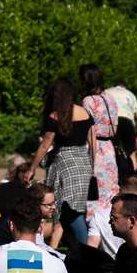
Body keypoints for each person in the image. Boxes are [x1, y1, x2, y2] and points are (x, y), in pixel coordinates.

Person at [32, 77, 93, 247]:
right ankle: (79, 250)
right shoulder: (85, 113)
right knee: (76, 210)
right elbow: (92, 141)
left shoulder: (55, 116)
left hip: (64, 165)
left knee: (68, 212)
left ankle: (86, 250)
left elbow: (45, 146)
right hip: (84, 163)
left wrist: (31, 169)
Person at [77, 64, 121, 241]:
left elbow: (91, 132)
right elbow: (115, 127)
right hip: (109, 149)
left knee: (93, 196)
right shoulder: (109, 98)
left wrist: (92, 161)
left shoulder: (88, 101)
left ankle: (94, 235)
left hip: (97, 150)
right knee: (109, 194)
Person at [106, 83, 137, 168]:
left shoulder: (107, 92)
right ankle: (134, 177)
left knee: (112, 150)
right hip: (127, 122)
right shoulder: (130, 94)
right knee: (131, 153)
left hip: (113, 121)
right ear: (124, 86)